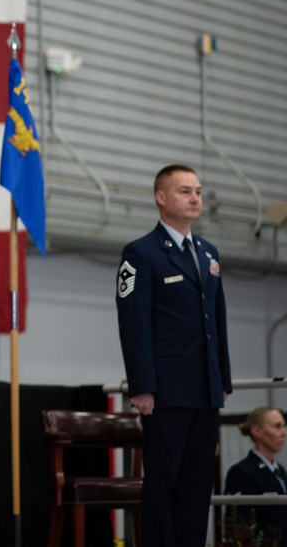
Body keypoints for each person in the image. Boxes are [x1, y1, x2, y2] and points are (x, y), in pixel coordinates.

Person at [116, 163, 232, 547]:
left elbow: (217, 319)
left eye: (198, 191)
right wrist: (143, 386)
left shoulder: (208, 252)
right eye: (185, 191)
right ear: (161, 198)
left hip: (204, 389)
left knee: (198, 485)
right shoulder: (142, 253)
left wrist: (223, 379)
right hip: (165, 391)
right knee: (163, 483)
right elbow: (134, 325)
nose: (195, 198)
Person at [224, 407, 287, 546]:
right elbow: (238, 523)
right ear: (257, 431)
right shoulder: (242, 471)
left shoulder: (279, 470)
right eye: (277, 426)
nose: (283, 433)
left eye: (284, 426)